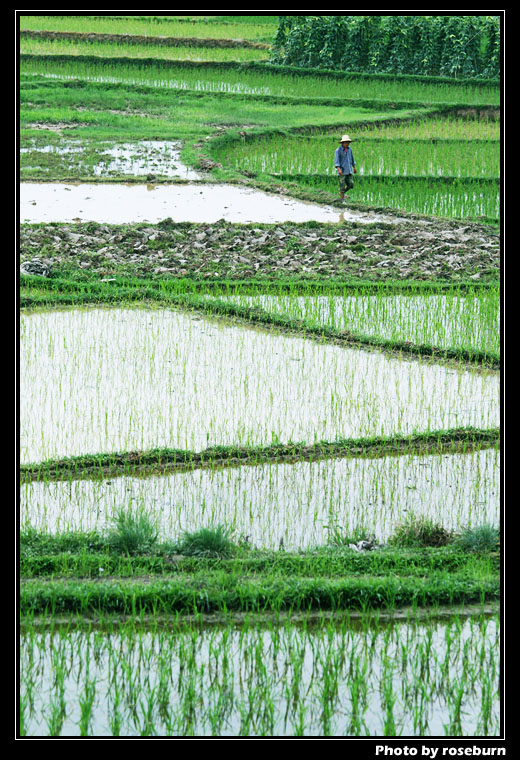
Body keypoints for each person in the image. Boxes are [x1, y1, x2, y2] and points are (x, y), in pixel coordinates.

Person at [334, 134, 357, 203]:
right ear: (343, 143)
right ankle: (342, 199)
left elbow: (352, 159)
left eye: (348, 142)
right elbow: (336, 161)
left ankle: (342, 193)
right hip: (342, 171)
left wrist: (354, 167)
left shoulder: (350, 150)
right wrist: (339, 169)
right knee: (342, 185)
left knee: (351, 184)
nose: (347, 144)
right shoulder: (338, 151)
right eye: (346, 142)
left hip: (349, 170)